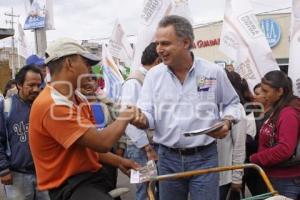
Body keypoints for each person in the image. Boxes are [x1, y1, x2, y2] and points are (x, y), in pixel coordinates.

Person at [135, 15, 241, 200]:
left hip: (205, 157)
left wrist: (227, 122)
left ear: (186, 42)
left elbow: (233, 104)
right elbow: (148, 115)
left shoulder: (212, 72)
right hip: (167, 158)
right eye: (158, 43)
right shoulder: (153, 76)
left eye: (165, 43)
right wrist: (140, 120)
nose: (159, 49)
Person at [29, 38, 141, 200]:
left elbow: (88, 146)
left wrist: (119, 161)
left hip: (90, 178)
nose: (90, 68)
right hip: (70, 186)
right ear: (69, 63)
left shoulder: (77, 98)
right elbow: (102, 143)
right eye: (86, 62)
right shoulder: (53, 105)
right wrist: (126, 115)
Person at [0, 65, 49, 200]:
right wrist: (3, 169)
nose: (35, 89)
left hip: (44, 174)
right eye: (31, 85)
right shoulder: (6, 107)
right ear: (19, 85)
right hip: (17, 177)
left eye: (39, 85)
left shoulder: (45, 106)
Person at [250, 70, 300, 199]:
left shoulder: (288, 113)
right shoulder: (279, 108)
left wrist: (256, 158)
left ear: (280, 91)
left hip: (287, 180)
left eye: (266, 91)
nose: (263, 95)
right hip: (277, 176)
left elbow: (285, 149)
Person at [121, 42, 160, 200]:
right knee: (145, 191)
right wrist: (147, 148)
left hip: (149, 145)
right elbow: (128, 118)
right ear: (158, 61)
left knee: (155, 188)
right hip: (141, 148)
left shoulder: (149, 78)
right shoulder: (134, 82)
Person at [79, 75, 126, 200]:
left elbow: (118, 125)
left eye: (92, 80)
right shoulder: (75, 107)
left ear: (96, 84)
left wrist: (120, 147)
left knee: (111, 188)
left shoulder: (107, 104)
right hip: (88, 156)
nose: (89, 83)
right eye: (85, 80)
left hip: (108, 154)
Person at [218, 70, 249, 200]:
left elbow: (239, 145)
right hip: (198, 173)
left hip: (222, 177)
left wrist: (237, 177)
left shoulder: (237, 109)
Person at [243, 83, 271, 196]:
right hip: (251, 166)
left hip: (266, 165)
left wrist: (249, 140)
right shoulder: (251, 114)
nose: (254, 96)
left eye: (258, 93)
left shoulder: (275, 116)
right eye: (254, 93)